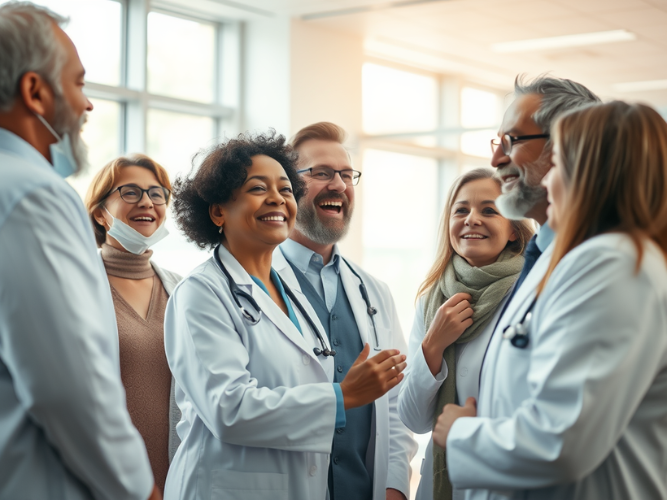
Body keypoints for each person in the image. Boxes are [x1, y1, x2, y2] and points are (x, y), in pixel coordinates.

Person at [433, 101, 667, 499]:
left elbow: (560, 441)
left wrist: (460, 432)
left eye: (556, 165)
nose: (548, 182)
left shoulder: (612, 263)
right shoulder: (580, 259)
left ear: (593, 175)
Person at [164, 131, 406, 500]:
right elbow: (229, 409)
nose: (277, 198)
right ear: (217, 211)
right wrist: (342, 397)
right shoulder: (200, 293)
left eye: (286, 189)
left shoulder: (289, 293)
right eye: (258, 188)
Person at [0, 3, 158, 499]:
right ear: (35, 92)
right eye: (79, 84)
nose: (87, 105)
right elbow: (68, 388)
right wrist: (138, 488)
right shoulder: (34, 194)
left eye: (157, 193)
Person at [274, 122, 417, 500]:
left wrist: (394, 486)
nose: (338, 184)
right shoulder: (255, 283)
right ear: (286, 187)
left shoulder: (374, 291)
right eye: (321, 173)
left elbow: (395, 401)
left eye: (346, 174)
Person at [398, 169, 533, 500]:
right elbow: (414, 419)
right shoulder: (433, 300)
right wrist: (433, 345)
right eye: (461, 210)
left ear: (514, 230)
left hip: (506, 476)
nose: (472, 219)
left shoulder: (530, 293)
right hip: (442, 482)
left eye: (489, 210)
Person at [85, 154, 182, 493]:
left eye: (157, 194)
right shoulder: (74, 286)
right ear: (100, 212)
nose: (147, 202)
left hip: (176, 473)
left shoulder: (182, 290)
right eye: (130, 192)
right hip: (103, 473)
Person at [491, 76, 600, 299]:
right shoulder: (540, 251)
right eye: (499, 143)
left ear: (568, 146)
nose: (496, 160)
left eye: (511, 140)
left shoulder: (598, 263)